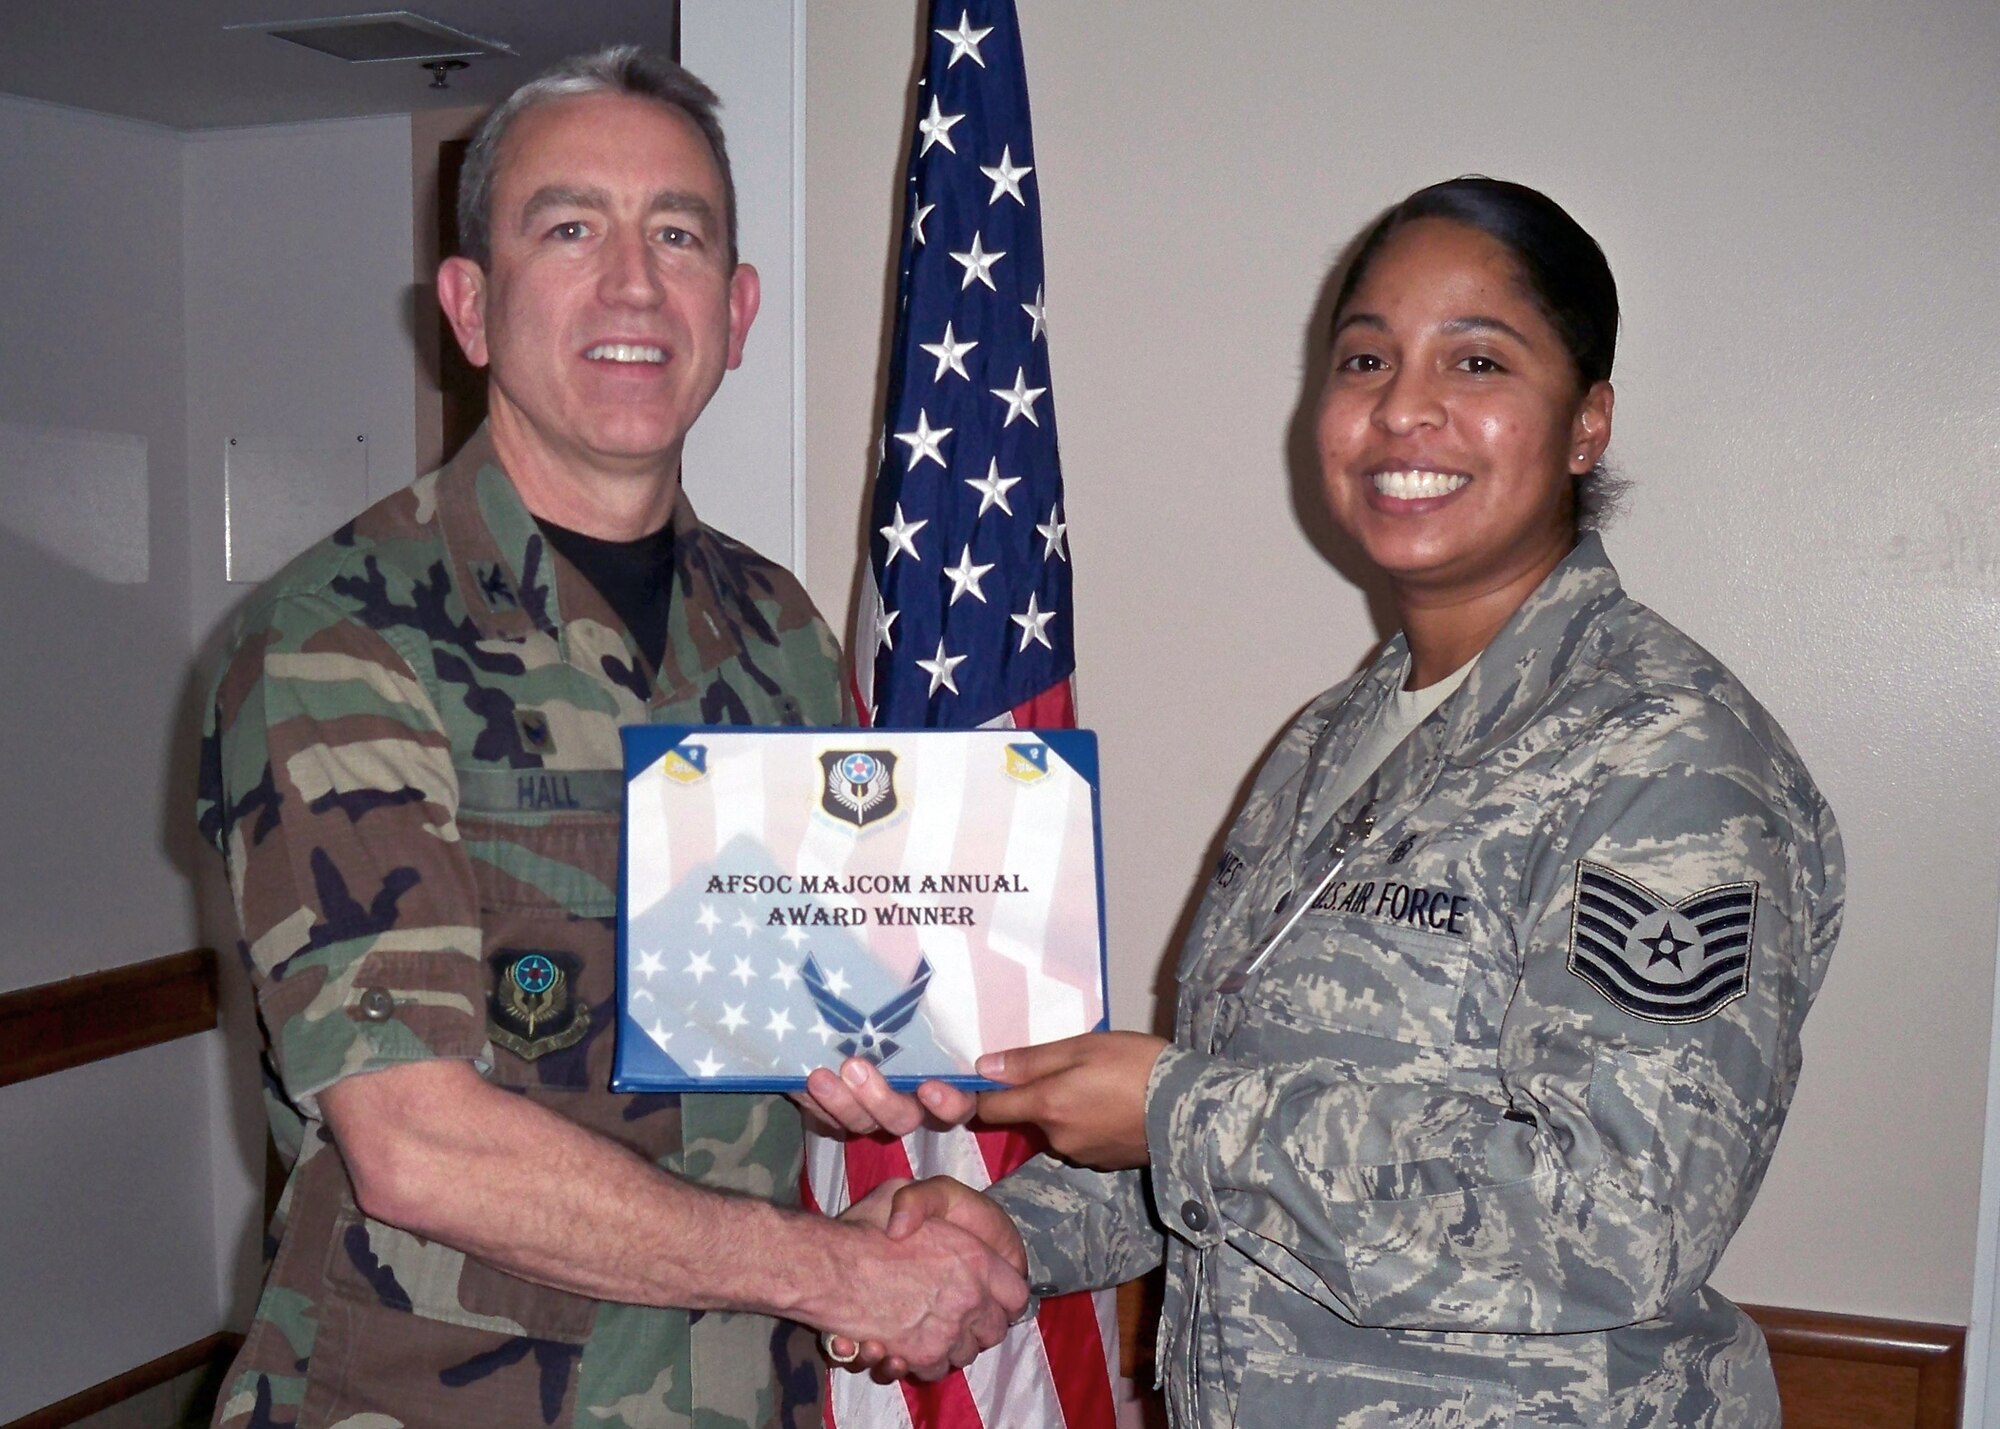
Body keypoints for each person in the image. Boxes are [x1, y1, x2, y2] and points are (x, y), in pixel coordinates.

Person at [805, 178, 1843, 1427]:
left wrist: (1175, 1110)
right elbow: (1237, 1149)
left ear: (1585, 423)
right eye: (1364, 358)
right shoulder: (1326, 744)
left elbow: (1619, 1215)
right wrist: (1002, 1229)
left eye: (1476, 360)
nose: (1404, 408)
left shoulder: (1667, 755)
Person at [196, 47, 1026, 1429]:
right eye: (570, 228)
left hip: (733, 1392)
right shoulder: (340, 638)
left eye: (680, 236)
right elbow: (416, 1142)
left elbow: (790, 1019)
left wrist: (895, 1118)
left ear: (738, 309)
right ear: (469, 306)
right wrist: (836, 1274)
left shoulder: (777, 628)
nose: (634, 284)